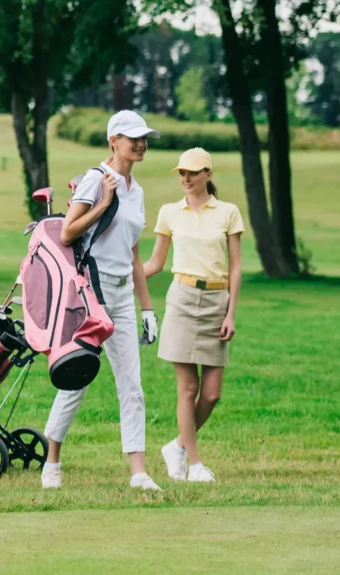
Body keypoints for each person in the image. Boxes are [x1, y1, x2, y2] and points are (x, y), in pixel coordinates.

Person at [41, 110, 162, 492]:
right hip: (91, 294)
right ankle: (52, 462)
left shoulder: (138, 191)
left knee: (133, 385)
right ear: (114, 141)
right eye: (132, 138)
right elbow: (67, 233)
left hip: (123, 293)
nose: (140, 144)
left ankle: (138, 473)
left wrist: (147, 309)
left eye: (144, 138)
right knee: (76, 378)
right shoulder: (95, 180)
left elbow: (136, 256)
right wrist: (103, 200)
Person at [143, 147, 244, 483]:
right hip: (182, 300)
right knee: (188, 388)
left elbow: (235, 266)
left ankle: (176, 447)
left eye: (193, 173)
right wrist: (119, 276)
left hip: (217, 300)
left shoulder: (228, 212)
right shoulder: (170, 213)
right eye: (182, 173)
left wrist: (231, 313)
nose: (185, 179)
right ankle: (195, 463)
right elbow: (155, 263)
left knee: (212, 393)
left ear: (208, 175)